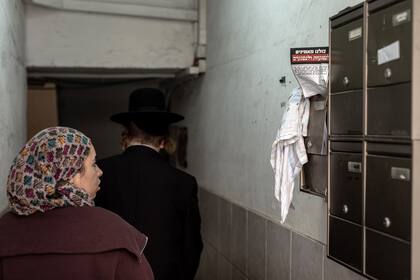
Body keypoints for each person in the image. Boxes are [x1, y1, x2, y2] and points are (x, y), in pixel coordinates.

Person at [0, 127, 154, 280]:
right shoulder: (114, 232)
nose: (99, 171)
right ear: (70, 174)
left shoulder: (5, 229)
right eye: (93, 164)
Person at [95, 88, 203, 280]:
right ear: (163, 141)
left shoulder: (99, 172)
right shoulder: (184, 182)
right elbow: (192, 246)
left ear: (126, 135)